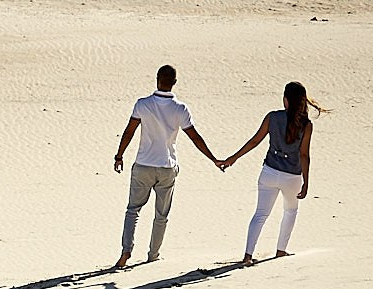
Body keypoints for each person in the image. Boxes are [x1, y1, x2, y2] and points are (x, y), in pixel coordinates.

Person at [112, 65, 225, 268]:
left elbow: (129, 132)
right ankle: (153, 254)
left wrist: (119, 156)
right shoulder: (180, 109)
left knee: (133, 210)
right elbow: (195, 137)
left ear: (157, 79)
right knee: (161, 215)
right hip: (166, 167)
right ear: (174, 82)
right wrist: (213, 159)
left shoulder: (142, 104)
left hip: (143, 165)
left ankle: (126, 251)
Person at [221, 81, 321, 264]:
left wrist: (233, 158)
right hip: (292, 176)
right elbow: (304, 155)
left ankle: (248, 255)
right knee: (290, 211)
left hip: (269, 172)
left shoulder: (272, 117)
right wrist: (306, 181)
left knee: (260, 214)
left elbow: (254, 141)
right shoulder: (306, 125)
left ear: (286, 100)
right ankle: (281, 251)